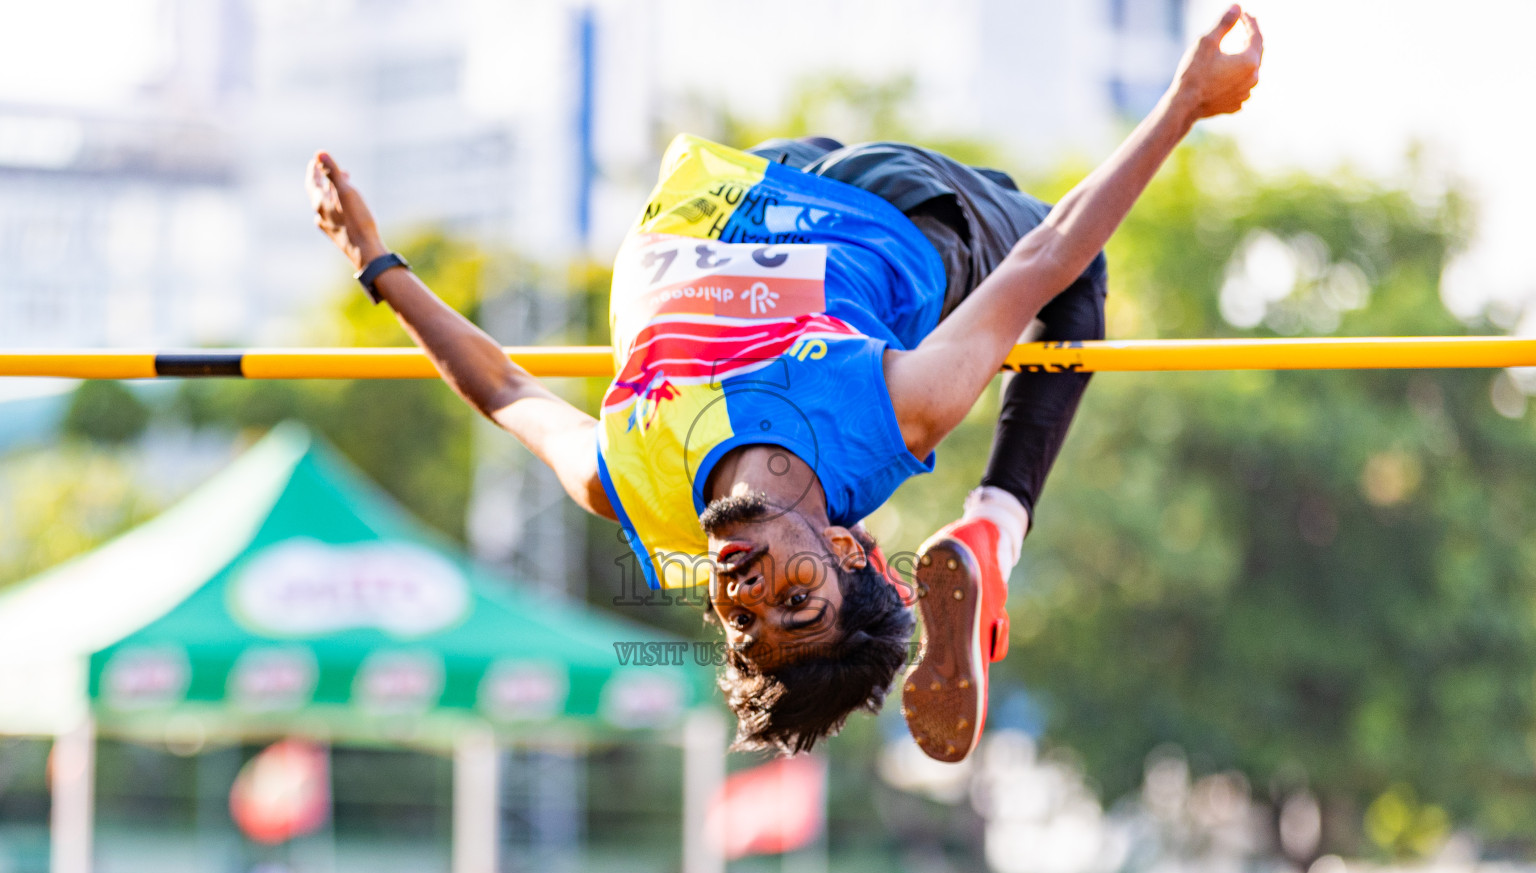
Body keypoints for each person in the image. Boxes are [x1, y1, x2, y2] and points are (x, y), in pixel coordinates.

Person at [306, 6, 1263, 761]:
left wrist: (377, 264)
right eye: (796, 600)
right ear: (850, 551)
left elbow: (507, 388)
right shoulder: (891, 416)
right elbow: (1048, 256)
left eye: (745, 624)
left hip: (734, 188)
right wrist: (1183, 102)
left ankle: (993, 535)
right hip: (888, 208)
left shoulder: (628, 484)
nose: (752, 593)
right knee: (1076, 279)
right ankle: (994, 527)